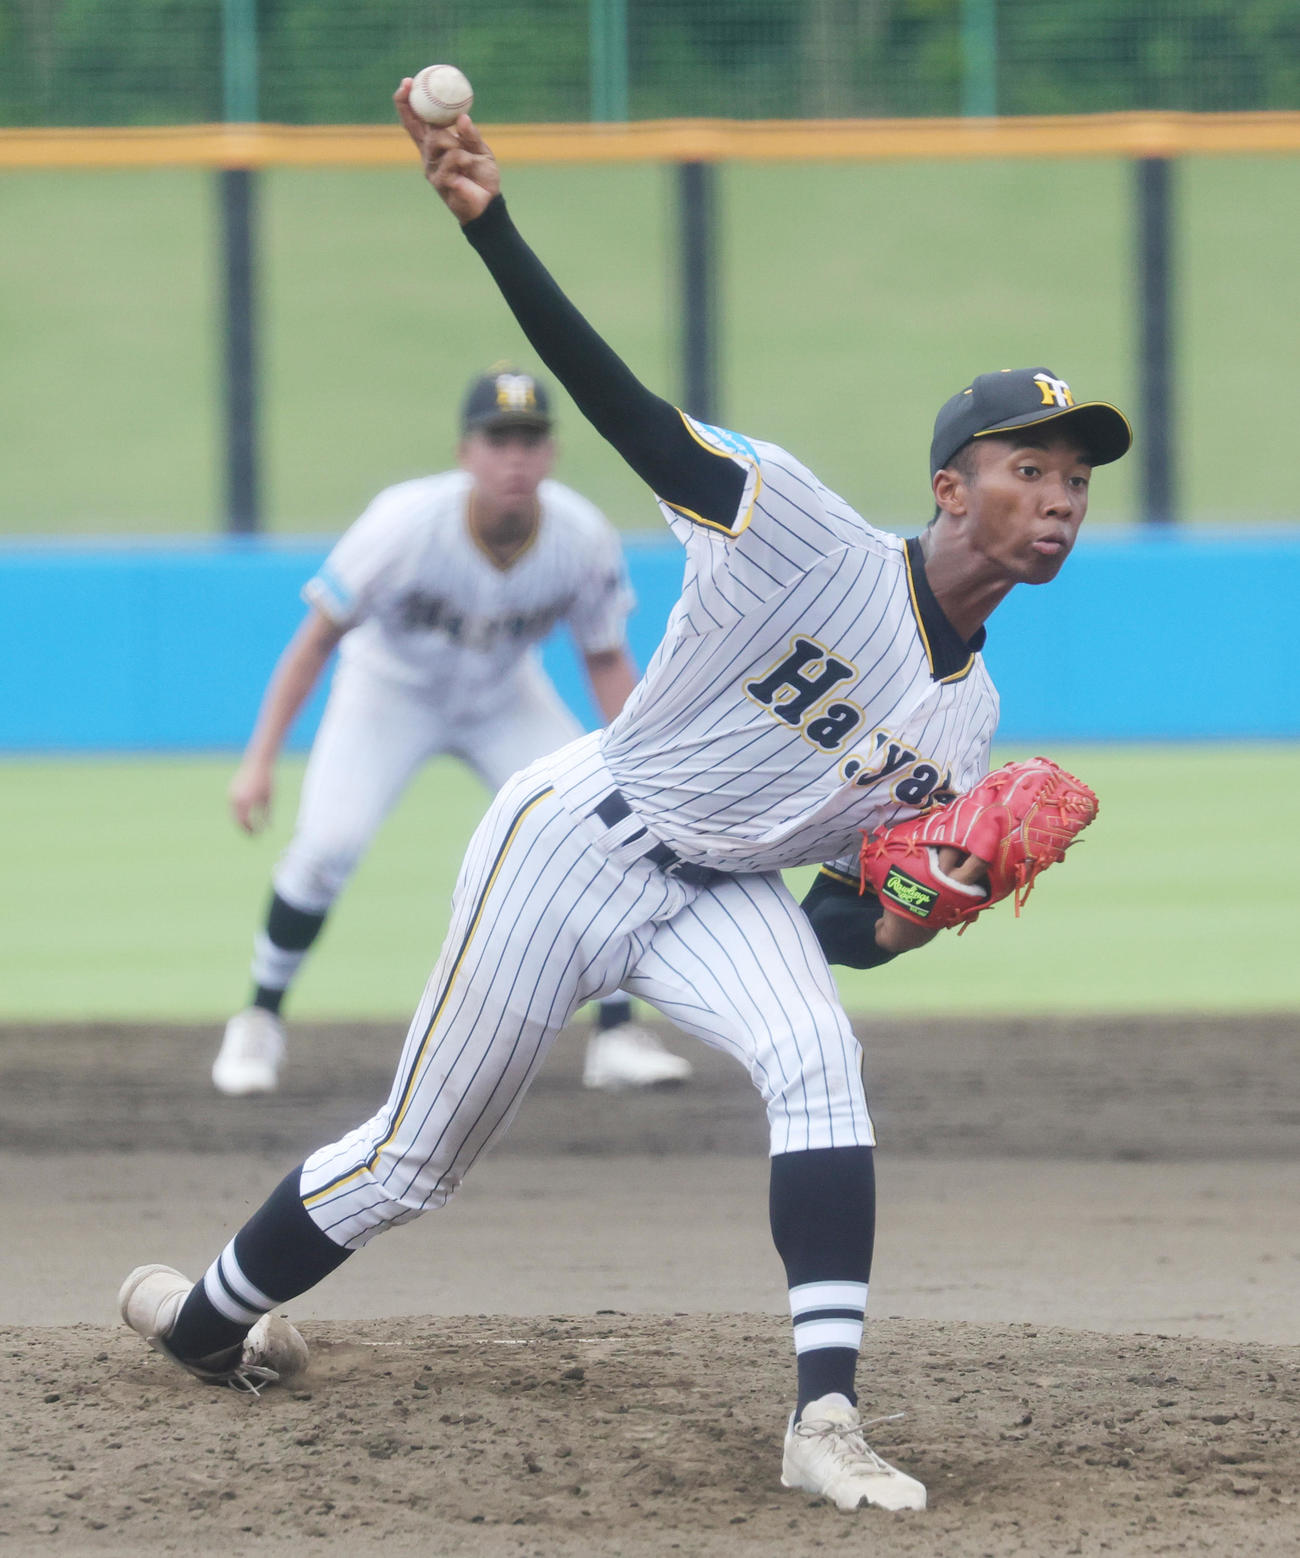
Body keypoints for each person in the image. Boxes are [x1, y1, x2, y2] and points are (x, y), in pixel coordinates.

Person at [119, 83, 1131, 1516]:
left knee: (820, 1057)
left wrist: (915, 907)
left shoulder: (972, 724)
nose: (1061, 497)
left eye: (1077, 479)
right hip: (578, 836)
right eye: (1030, 468)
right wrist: (494, 225)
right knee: (415, 1160)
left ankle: (824, 1419)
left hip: (719, 892)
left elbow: (838, 917)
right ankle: (210, 1317)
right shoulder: (799, 529)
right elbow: (628, 413)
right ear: (948, 490)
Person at [211, 368, 693, 1097]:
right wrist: (258, 761)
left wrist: (645, 768)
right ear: (466, 451)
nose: (515, 458)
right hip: (388, 692)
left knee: (602, 839)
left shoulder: (580, 535)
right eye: (498, 440)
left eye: (530, 440)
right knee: (326, 848)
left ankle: (617, 1034)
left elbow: (603, 657)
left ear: (552, 453)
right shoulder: (403, 524)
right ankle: (259, 1019)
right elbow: (315, 640)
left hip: (505, 695)